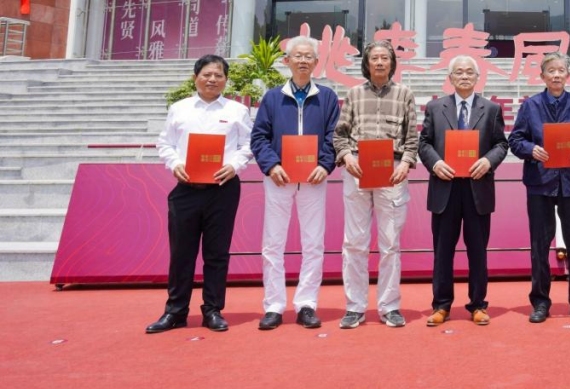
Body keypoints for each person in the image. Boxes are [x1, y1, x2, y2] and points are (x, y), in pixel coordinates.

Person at [147, 55, 253, 334]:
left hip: (223, 189)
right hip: (186, 189)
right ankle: (175, 311)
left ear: (226, 80)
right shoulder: (179, 109)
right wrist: (175, 164)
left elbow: (248, 145)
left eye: (218, 75)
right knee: (181, 253)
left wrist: (234, 165)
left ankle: (213, 310)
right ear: (195, 78)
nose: (212, 80)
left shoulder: (237, 110)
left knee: (217, 253)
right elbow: (165, 143)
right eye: (206, 74)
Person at [250, 36, 340, 331]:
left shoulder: (327, 97)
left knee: (313, 243)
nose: (303, 60)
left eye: (308, 56)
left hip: (313, 179)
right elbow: (259, 137)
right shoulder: (272, 97)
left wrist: (324, 165)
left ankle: (306, 304)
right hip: (279, 178)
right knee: (272, 243)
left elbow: (334, 136)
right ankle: (274, 306)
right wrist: (271, 165)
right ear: (286, 61)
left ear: (316, 62)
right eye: (297, 56)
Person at [508, 52, 570, 323]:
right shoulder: (530, 106)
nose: (557, 75)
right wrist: (531, 149)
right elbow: (515, 139)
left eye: (561, 70)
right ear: (542, 76)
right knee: (539, 245)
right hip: (540, 182)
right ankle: (540, 302)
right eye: (551, 71)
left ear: (567, 75)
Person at [418, 55, 509, 326]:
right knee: (442, 251)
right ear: (450, 78)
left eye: (470, 72)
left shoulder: (491, 109)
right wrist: (436, 164)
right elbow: (424, 143)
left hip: (477, 189)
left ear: (478, 77)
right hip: (444, 188)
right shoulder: (435, 108)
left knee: (478, 251)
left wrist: (488, 161)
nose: (465, 76)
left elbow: (501, 144)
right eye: (459, 72)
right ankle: (441, 305)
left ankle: (478, 305)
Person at [333, 40, 419, 328]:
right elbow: (340, 134)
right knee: (354, 242)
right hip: (357, 167)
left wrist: (406, 163)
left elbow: (412, 136)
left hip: (392, 171)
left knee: (390, 243)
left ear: (392, 63)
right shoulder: (354, 94)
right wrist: (346, 156)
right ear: (366, 64)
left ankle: (389, 306)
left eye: (385, 58)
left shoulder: (404, 94)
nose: (380, 62)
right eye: (375, 58)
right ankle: (354, 307)